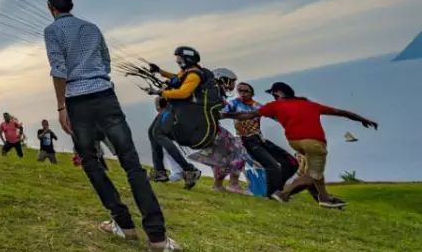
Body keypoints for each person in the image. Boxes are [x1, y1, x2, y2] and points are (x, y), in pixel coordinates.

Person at [44, 0, 178, 252]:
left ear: (51, 7)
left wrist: (61, 106)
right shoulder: (92, 28)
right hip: (105, 96)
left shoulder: (52, 31)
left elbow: (58, 68)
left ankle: (123, 223)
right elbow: (106, 62)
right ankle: (157, 237)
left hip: (77, 101)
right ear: (71, 4)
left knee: (92, 164)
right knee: (131, 163)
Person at [225, 81, 377, 208]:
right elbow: (341, 112)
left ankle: (324, 198)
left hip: (295, 142)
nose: (273, 96)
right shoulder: (309, 104)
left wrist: (224, 115)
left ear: (278, 93)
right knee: (312, 174)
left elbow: (246, 115)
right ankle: (283, 194)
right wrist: (363, 119)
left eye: (273, 93)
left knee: (312, 169)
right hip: (314, 142)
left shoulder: (274, 105)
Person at [222, 82, 297, 202]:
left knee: (292, 163)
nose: (242, 93)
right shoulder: (234, 103)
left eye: (245, 91)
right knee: (272, 166)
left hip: (260, 140)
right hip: (246, 140)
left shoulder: (257, 106)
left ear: (252, 93)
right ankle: (271, 193)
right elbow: (220, 113)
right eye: (239, 90)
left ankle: (278, 190)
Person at [148, 97, 201, 189]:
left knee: (158, 133)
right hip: (171, 103)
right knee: (152, 132)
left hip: (176, 104)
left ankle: (189, 170)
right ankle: (159, 171)